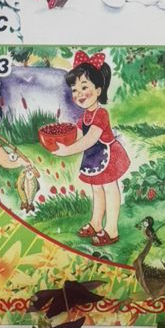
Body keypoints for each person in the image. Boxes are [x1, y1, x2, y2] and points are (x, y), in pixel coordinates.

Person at [54, 51, 130, 248]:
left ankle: (112, 229)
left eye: (84, 87)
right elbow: (78, 135)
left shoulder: (101, 114)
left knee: (110, 189)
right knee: (96, 189)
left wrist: (66, 151)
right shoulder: (84, 117)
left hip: (108, 157)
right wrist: (61, 140)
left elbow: (89, 140)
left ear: (98, 90)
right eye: (74, 89)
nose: (78, 94)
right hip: (94, 158)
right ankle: (96, 223)